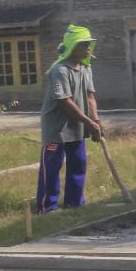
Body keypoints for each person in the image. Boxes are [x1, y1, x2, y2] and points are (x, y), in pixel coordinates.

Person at [36, 24, 101, 214]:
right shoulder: (60, 70)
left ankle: (74, 203)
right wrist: (88, 122)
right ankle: (47, 207)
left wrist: (96, 121)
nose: (88, 48)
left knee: (78, 163)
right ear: (73, 47)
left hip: (76, 127)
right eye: (84, 44)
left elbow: (90, 96)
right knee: (52, 167)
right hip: (56, 129)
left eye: (89, 44)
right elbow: (65, 102)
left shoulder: (86, 69)